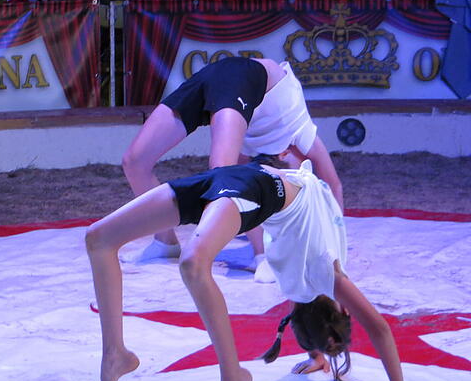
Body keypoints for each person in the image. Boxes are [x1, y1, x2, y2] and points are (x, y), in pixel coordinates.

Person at [85, 155, 407, 381]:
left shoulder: (319, 276)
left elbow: (364, 324)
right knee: (101, 239)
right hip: (242, 184)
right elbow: (374, 325)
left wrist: (321, 352)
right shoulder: (323, 275)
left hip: (244, 184)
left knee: (181, 260)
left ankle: (232, 377)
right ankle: (117, 354)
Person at [121, 57, 343, 276]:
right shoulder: (302, 135)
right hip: (241, 76)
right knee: (223, 172)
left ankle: (259, 254)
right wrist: (336, 245)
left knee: (136, 162)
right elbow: (334, 185)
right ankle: (167, 241)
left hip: (221, 79)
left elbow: (240, 186)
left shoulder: (252, 152)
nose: (291, 175)